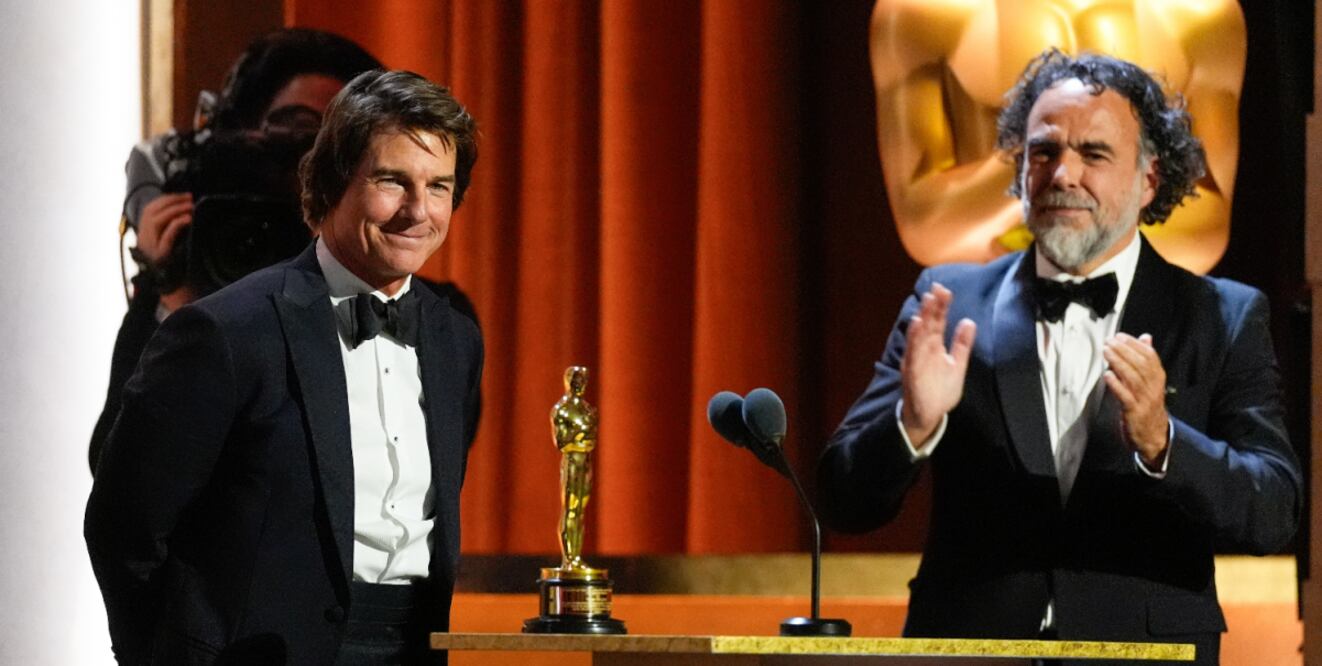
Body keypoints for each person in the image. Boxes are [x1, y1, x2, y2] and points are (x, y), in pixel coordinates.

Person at [817, 49, 1300, 664]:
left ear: (1149, 179)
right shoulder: (948, 304)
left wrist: (1165, 444)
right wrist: (911, 426)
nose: (1063, 174)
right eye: (1043, 152)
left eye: (1094, 154)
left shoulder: (1221, 316)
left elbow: (1273, 511)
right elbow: (843, 500)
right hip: (971, 650)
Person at [85, 70, 482, 664]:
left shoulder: (456, 339)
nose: (417, 211)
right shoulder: (226, 332)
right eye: (392, 181)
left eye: (439, 187)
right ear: (332, 182)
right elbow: (123, 527)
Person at [89, 28, 383, 473]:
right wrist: (177, 303)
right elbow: (122, 472)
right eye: (298, 131)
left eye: (343, 146)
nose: (316, 167)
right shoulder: (201, 270)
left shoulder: (426, 323)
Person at [870, 0, 1244, 274]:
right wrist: (1059, 160)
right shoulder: (923, 12)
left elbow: (1208, 225)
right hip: (993, 310)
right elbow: (923, 224)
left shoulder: (1198, 14)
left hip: (1144, 310)